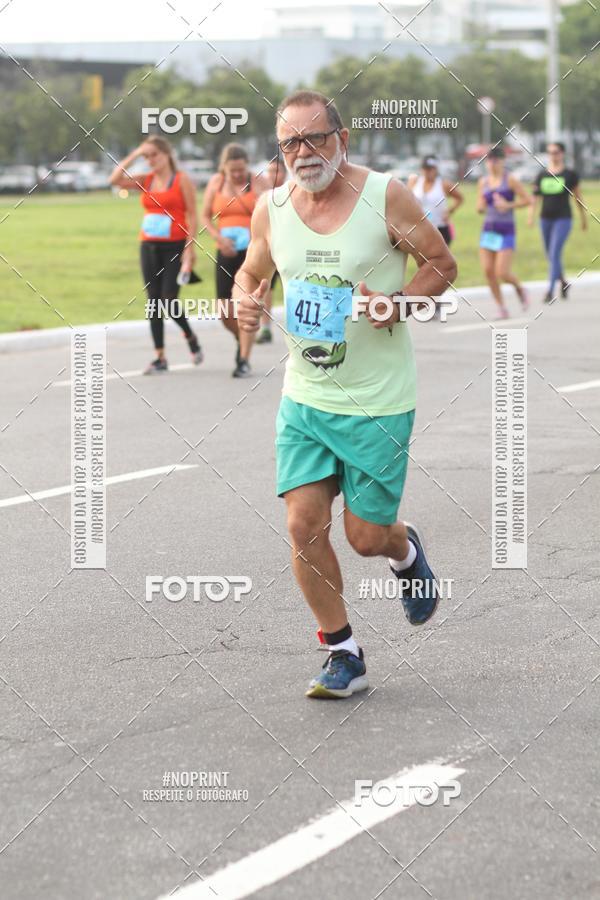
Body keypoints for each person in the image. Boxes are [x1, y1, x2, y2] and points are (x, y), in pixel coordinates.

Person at [236, 90, 457, 699]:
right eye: (289, 142)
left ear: (343, 139)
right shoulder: (272, 207)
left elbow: (441, 264)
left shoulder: (385, 196)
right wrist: (246, 296)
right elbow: (252, 270)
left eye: (315, 138)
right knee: (303, 524)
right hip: (305, 398)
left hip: (377, 401)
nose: (303, 152)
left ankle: (403, 550)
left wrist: (399, 302)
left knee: (365, 538)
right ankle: (343, 650)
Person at [109, 135, 203, 374]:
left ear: (167, 154)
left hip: (175, 246)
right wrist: (135, 154)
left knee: (169, 300)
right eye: (147, 156)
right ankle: (160, 357)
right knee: (153, 302)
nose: (150, 160)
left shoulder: (181, 180)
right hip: (149, 245)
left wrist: (190, 249)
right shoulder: (146, 179)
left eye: (154, 155)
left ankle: (190, 336)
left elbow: (193, 215)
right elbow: (115, 179)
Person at [201, 144, 267, 377]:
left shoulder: (258, 182)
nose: (238, 174)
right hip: (226, 251)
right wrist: (218, 238)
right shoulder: (216, 183)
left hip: (252, 253)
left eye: (241, 169)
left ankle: (244, 359)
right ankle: (242, 337)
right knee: (224, 310)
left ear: (247, 165)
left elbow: (273, 213)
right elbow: (205, 216)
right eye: (233, 171)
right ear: (224, 168)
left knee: (247, 305)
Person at [476, 146, 533, 319]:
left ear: (502, 161)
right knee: (488, 271)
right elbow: (480, 205)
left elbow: (527, 200)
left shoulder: (510, 180)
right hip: (489, 231)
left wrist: (508, 205)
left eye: (496, 160)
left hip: (506, 230)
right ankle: (501, 307)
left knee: (502, 272)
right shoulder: (483, 182)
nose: (492, 164)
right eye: (489, 160)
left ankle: (520, 289)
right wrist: (481, 207)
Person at [529, 142, 587, 303]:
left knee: (555, 253)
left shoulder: (570, 174)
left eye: (555, 152)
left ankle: (549, 290)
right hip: (545, 219)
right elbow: (535, 197)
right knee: (550, 254)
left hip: (563, 219)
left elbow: (578, 197)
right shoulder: (542, 175)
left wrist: (583, 218)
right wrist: (531, 216)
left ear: (562, 153)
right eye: (550, 152)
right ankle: (563, 282)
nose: (553, 155)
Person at [256, 157, 287, 345]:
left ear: (285, 173)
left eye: (277, 171)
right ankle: (266, 328)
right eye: (269, 171)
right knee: (266, 287)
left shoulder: (293, 193)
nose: (272, 175)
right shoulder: (264, 197)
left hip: (289, 249)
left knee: (291, 287)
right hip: (269, 248)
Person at [407, 155, 463, 245]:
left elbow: (459, 198)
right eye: (425, 169)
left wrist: (450, 211)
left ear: (436, 169)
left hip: (439, 227)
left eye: (430, 169)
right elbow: (407, 200)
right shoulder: (414, 182)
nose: (427, 172)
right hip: (419, 227)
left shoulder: (443, 184)